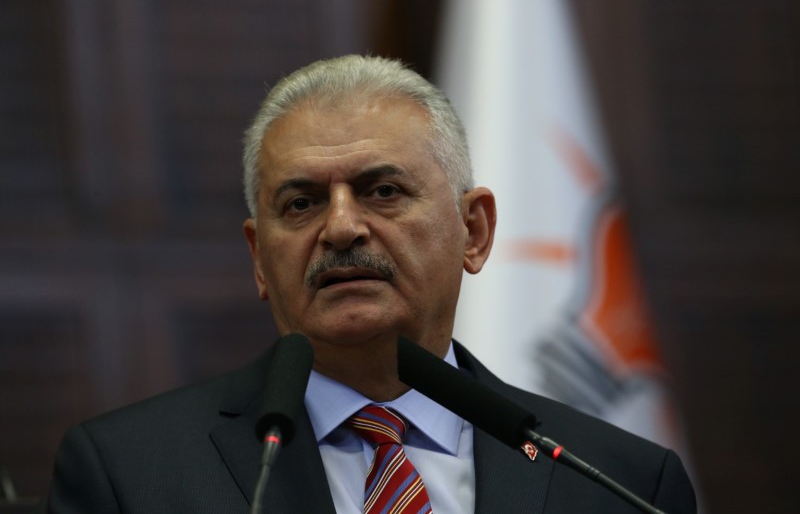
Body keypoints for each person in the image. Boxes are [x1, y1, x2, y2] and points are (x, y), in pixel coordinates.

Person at [39, 55, 696, 513]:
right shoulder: (128, 474)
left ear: (474, 230)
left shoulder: (619, 480)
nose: (342, 227)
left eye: (383, 191)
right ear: (260, 259)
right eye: (301, 203)